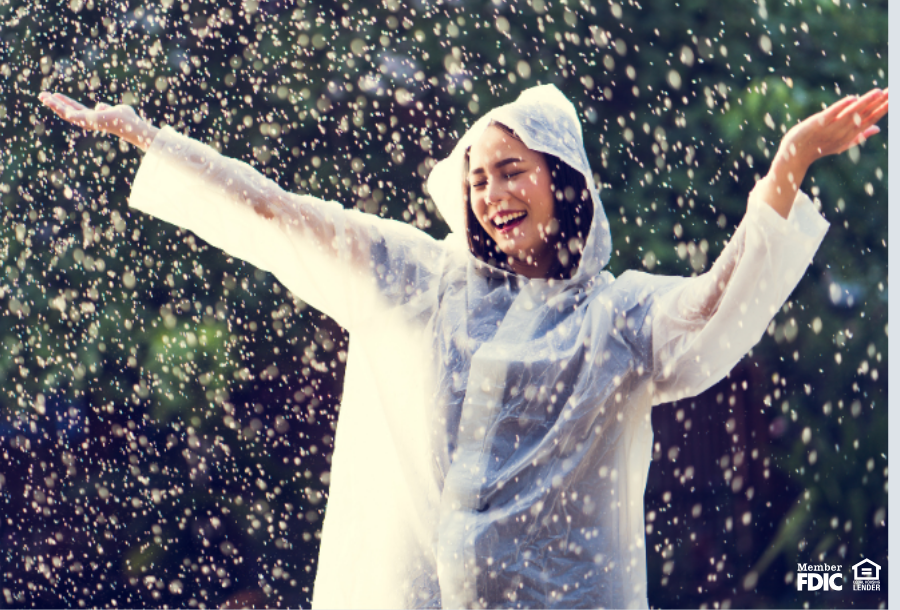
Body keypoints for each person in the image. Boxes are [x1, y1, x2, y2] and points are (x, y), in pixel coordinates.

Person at [39, 84, 887, 608]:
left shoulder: (619, 319)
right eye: (476, 178)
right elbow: (284, 213)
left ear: (564, 179)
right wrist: (158, 143)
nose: (490, 194)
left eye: (512, 170)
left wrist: (790, 160)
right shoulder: (427, 281)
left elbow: (714, 306)